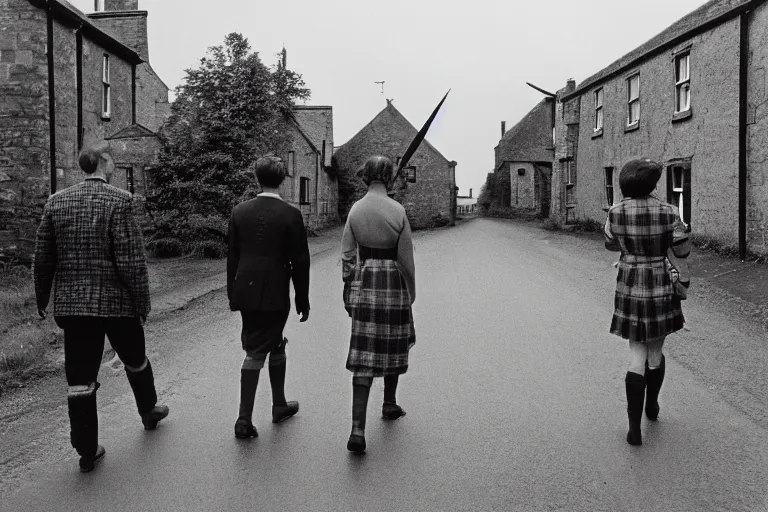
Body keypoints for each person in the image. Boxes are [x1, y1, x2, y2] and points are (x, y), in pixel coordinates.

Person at [33, 141, 169, 473]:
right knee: (135, 359)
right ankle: (148, 410)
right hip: (118, 303)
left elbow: (43, 257)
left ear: (82, 166)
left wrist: (41, 297)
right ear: (105, 165)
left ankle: (86, 449)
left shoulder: (56, 202)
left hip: (74, 305)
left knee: (79, 377)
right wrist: (142, 302)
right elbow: (131, 260)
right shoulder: (120, 201)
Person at [604, 158, 689, 446]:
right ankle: (652, 405)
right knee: (656, 350)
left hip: (629, 282)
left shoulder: (615, 212)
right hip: (659, 281)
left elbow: (609, 243)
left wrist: (628, 244)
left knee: (636, 355)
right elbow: (683, 249)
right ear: (653, 185)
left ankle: (633, 427)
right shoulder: (669, 211)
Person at [227, 156, 310, 439]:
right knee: (256, 349)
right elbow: (301, 261)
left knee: (272, 341)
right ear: (283, 178)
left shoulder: (239, 212)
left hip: (246, 289)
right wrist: (303, 298)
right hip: (275, 292)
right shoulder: (291, 214)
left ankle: (279, 405)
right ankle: (243, 419)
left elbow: (233, 257)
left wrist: (231, 293)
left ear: (256, 178)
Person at [341, 155, 416, 454]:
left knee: (364, 350)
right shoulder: (397, 210)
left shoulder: (356, 210)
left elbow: (347, 254)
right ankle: (389, 403)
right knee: (392, 342)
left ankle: (357, 428)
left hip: (364, 279)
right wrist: (410, 291)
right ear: (389, 177)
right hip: (393, 281)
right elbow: (406, 259)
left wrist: (350, 285)